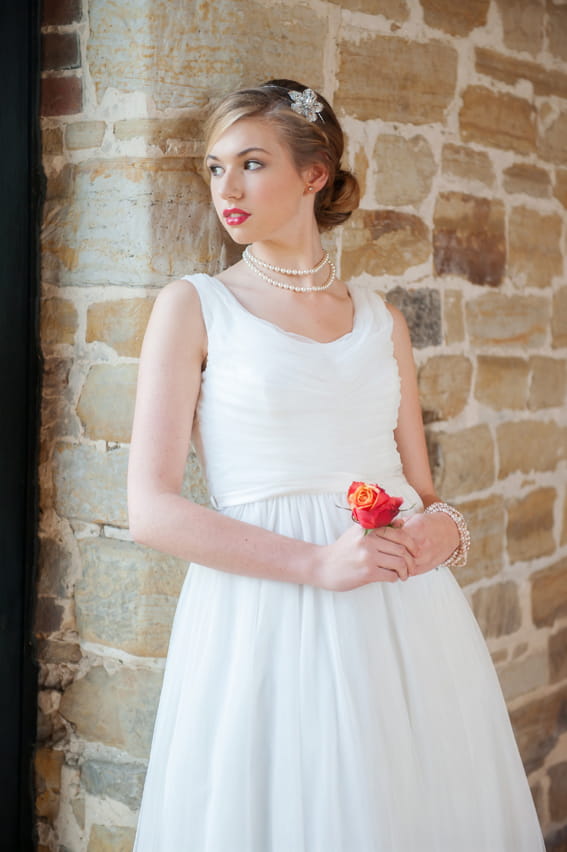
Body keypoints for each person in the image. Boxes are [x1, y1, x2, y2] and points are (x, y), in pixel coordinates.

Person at [128, 80, 544, 851]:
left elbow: (425, 497)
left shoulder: (381, 319)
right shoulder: (193, 306)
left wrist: (437, 537)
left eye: (251, 163)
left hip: (396, 617)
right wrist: (318, 563)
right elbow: (150, 510)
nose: (228, 188)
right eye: (215, 168)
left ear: (314, 174)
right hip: (260, 611)